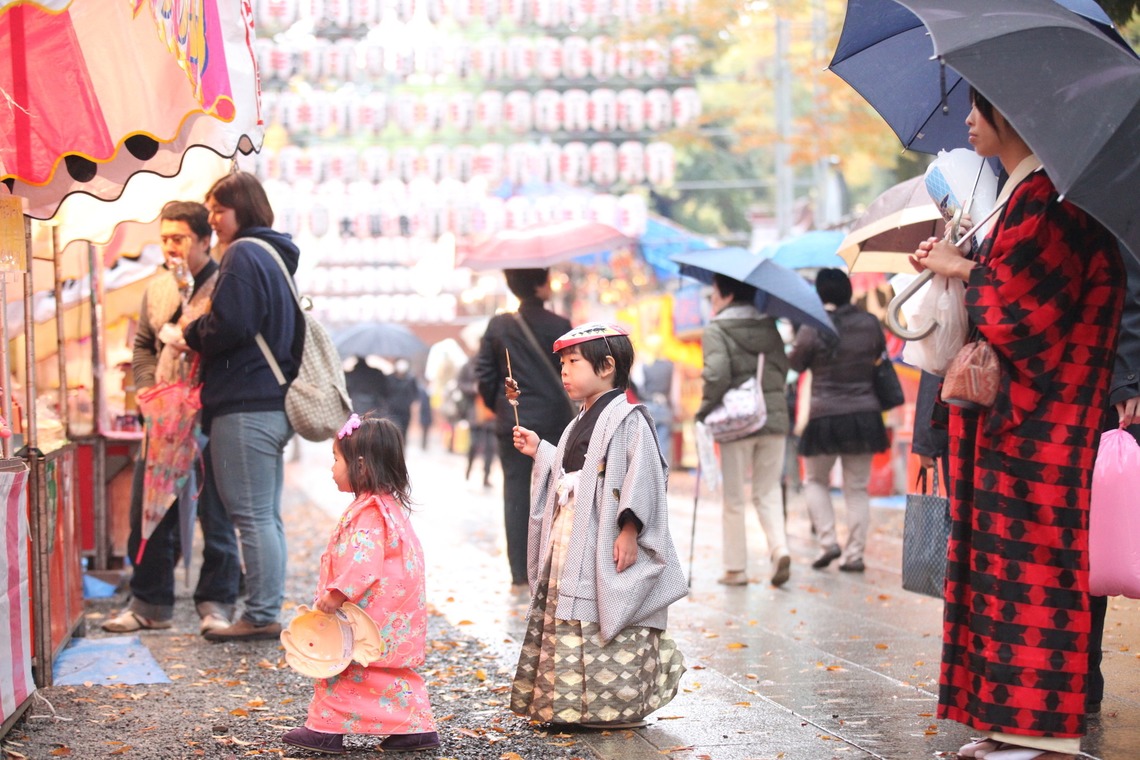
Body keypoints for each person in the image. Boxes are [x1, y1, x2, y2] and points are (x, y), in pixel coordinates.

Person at [910, 88, 1124, 760]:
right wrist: (963, 259)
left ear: (1018, 115)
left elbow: (1025, 314)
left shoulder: (1050, 199)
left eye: (982, 108)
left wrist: (963, 268)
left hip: (1039, 429)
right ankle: (1006, 727)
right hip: (1022, 425)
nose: (969, 120)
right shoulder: (1029, 194)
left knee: (1031, 572)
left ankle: (1039, 731)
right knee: (1006, 570)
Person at [508, 322, 687, 728]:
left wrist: (629, 531)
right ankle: (567, 706)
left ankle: (609, 708)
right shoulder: (578, 422)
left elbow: (643, 476)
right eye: (563, 364)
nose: (564, 372)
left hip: (603, 532)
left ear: (607, 365)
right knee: (567, 615)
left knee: (601, 613)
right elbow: (578, 474)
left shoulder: (629, 418)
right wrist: (541, 450)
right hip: (572, 531)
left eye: (573, 362)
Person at [103, 201, 241, 635]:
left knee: (216, 513)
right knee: (149, 511)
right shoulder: (157, 286)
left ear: (204, 239)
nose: (170, 247)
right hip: (162, 416)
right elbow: (144, 343)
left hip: (209, 415)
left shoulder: (225, 284)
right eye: (164, 238)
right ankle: (149, 603)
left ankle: (216, 602)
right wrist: (145, 387)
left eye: (179, 238)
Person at [184, 172, 302, 642]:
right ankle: (264, 607)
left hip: (245, 403)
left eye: (219, 210)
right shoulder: (273, 254)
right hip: (269, 403)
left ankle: (261, 613)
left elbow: (231, 324)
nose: (212, 220)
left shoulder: (242, 254)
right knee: (264, 514)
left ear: (243, 209)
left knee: (252, 516)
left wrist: (193, 330)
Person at [281, 414, 439, 755]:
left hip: (366, 610)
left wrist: (336, 593)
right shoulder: (384, 508)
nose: (332, 468)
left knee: (341, 664)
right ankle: (414, 726)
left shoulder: (370, 513)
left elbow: (362, 562)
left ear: (361, 466)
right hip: (389, 609)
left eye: (337, 460)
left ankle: (325, 730)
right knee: (383, 669)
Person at [475, 268, 574, 589]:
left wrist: (503, 406)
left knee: (516, 492)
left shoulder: (499, 325)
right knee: (559, 490)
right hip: (557, 422)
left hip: (515, 422)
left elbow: (485, 375)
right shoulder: (560, 326)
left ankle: (519, 571)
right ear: (540, 284)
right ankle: (553, 566)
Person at [789, 268, 889, 575]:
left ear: (820, 294)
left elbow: (795, 363)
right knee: (857, 487)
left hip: (825, 416)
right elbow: (878, 354)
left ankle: (828, 541)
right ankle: (854, 555)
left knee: (815, 481)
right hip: (864, 414)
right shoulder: (869, 323)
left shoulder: (814, 326)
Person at [695, 274, 793, 587]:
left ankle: (736, 569)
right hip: (773, 419)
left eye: (714, 292)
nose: (712, 298)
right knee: (768, 491)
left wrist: (705, 409)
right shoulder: (770, 327)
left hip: (735, 422)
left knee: (735, 497)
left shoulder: (716, 329)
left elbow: (717, 374)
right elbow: (782, 369)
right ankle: (779, 548)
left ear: (726, 294)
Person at [1088, 245, 1140, 717]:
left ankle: (1085, 678)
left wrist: (1129, 380)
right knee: (1100, 539)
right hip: (1109, 397)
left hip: (1121, 399)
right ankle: (1085, 676)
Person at [631, 334, 675, 466]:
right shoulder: (669, 365)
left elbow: (637, 387)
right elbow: (674, 392)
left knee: (646, 444)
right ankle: (662, 477)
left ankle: (648, 475)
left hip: (647, 407)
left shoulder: (642, 366)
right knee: (663, 445)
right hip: (664, 407)